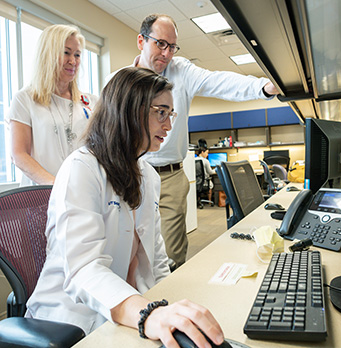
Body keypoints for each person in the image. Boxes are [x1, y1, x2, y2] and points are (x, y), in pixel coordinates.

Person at [25, 67, 225, 348]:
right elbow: (84, 270)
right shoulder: (81, 169)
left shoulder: (147, 175)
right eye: (161, 112)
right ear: (130, 110)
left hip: (127, 306)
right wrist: (148, 314)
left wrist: (169, 303)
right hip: (72, 319)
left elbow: (156, 257)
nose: (168, 126)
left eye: (171, 114)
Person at [109, 14, 279, 267]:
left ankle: (169, 301)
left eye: (172, 46)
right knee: (126, 250)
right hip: (128, 173)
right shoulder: (119, 80)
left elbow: (218, 82)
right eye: (160, 44)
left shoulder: (180, 71)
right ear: (141, 41)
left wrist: (264, 88)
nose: (167, 53)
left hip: (169, 177)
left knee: (171, 255)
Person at [6, 24, 98, 186]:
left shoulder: (90, 102)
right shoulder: (25, 99)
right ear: (48, 54)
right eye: (66, 53)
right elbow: (19, 154)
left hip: (80, 191)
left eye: (77, 55)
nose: (73, 61)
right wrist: (56, 186)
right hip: (42, 195)